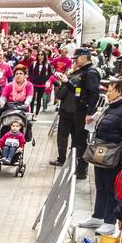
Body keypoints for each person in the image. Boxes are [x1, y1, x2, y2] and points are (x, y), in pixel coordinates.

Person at [80, 78, 122, 236]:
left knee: (111, 189)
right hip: (102, 154)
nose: (107, 92)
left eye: (110, 90)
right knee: (101, 186)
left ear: (119, 91)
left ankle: (109, 222)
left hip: (114, 157)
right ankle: (98, 216)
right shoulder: (112, 107)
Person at [52, 49, 101, 178]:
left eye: (77, 58)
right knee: (77, 140)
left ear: (85, 57)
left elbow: (94, 94)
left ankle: (81, 170)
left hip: (84, 110)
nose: (75, 60)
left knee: (80, 141)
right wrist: (67, 82)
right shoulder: (84, 72)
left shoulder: (91, 72)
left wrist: (89, 112)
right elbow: (78, 91)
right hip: (78, 109)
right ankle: (77, 167)